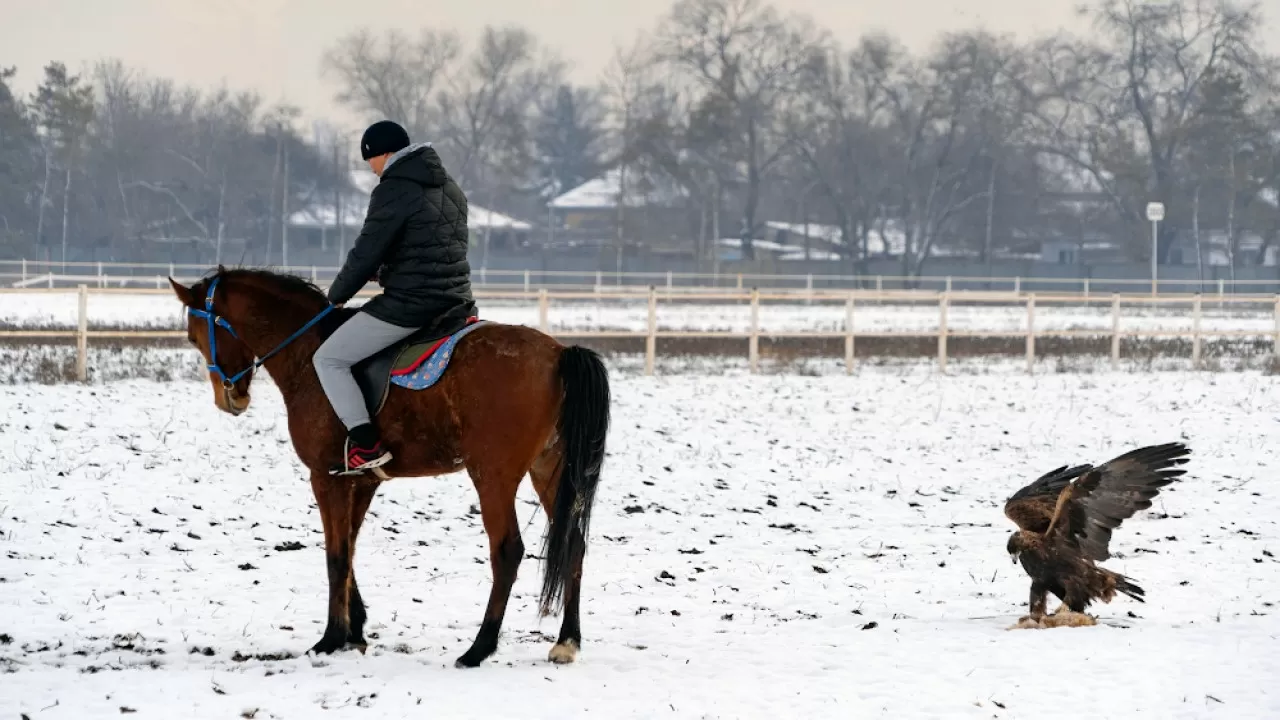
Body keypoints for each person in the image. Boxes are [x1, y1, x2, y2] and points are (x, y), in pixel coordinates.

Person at [314, 120, 475, 476]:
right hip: (457, 303)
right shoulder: (451, 187)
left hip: (412, 306)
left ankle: (365, 443)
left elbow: (365, 252)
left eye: (370, 161)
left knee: (329, 358)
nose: (371, 170)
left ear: (382, 153)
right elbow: (431, 251)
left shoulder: (394, 188)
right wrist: (387, 273)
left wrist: (335, 298)